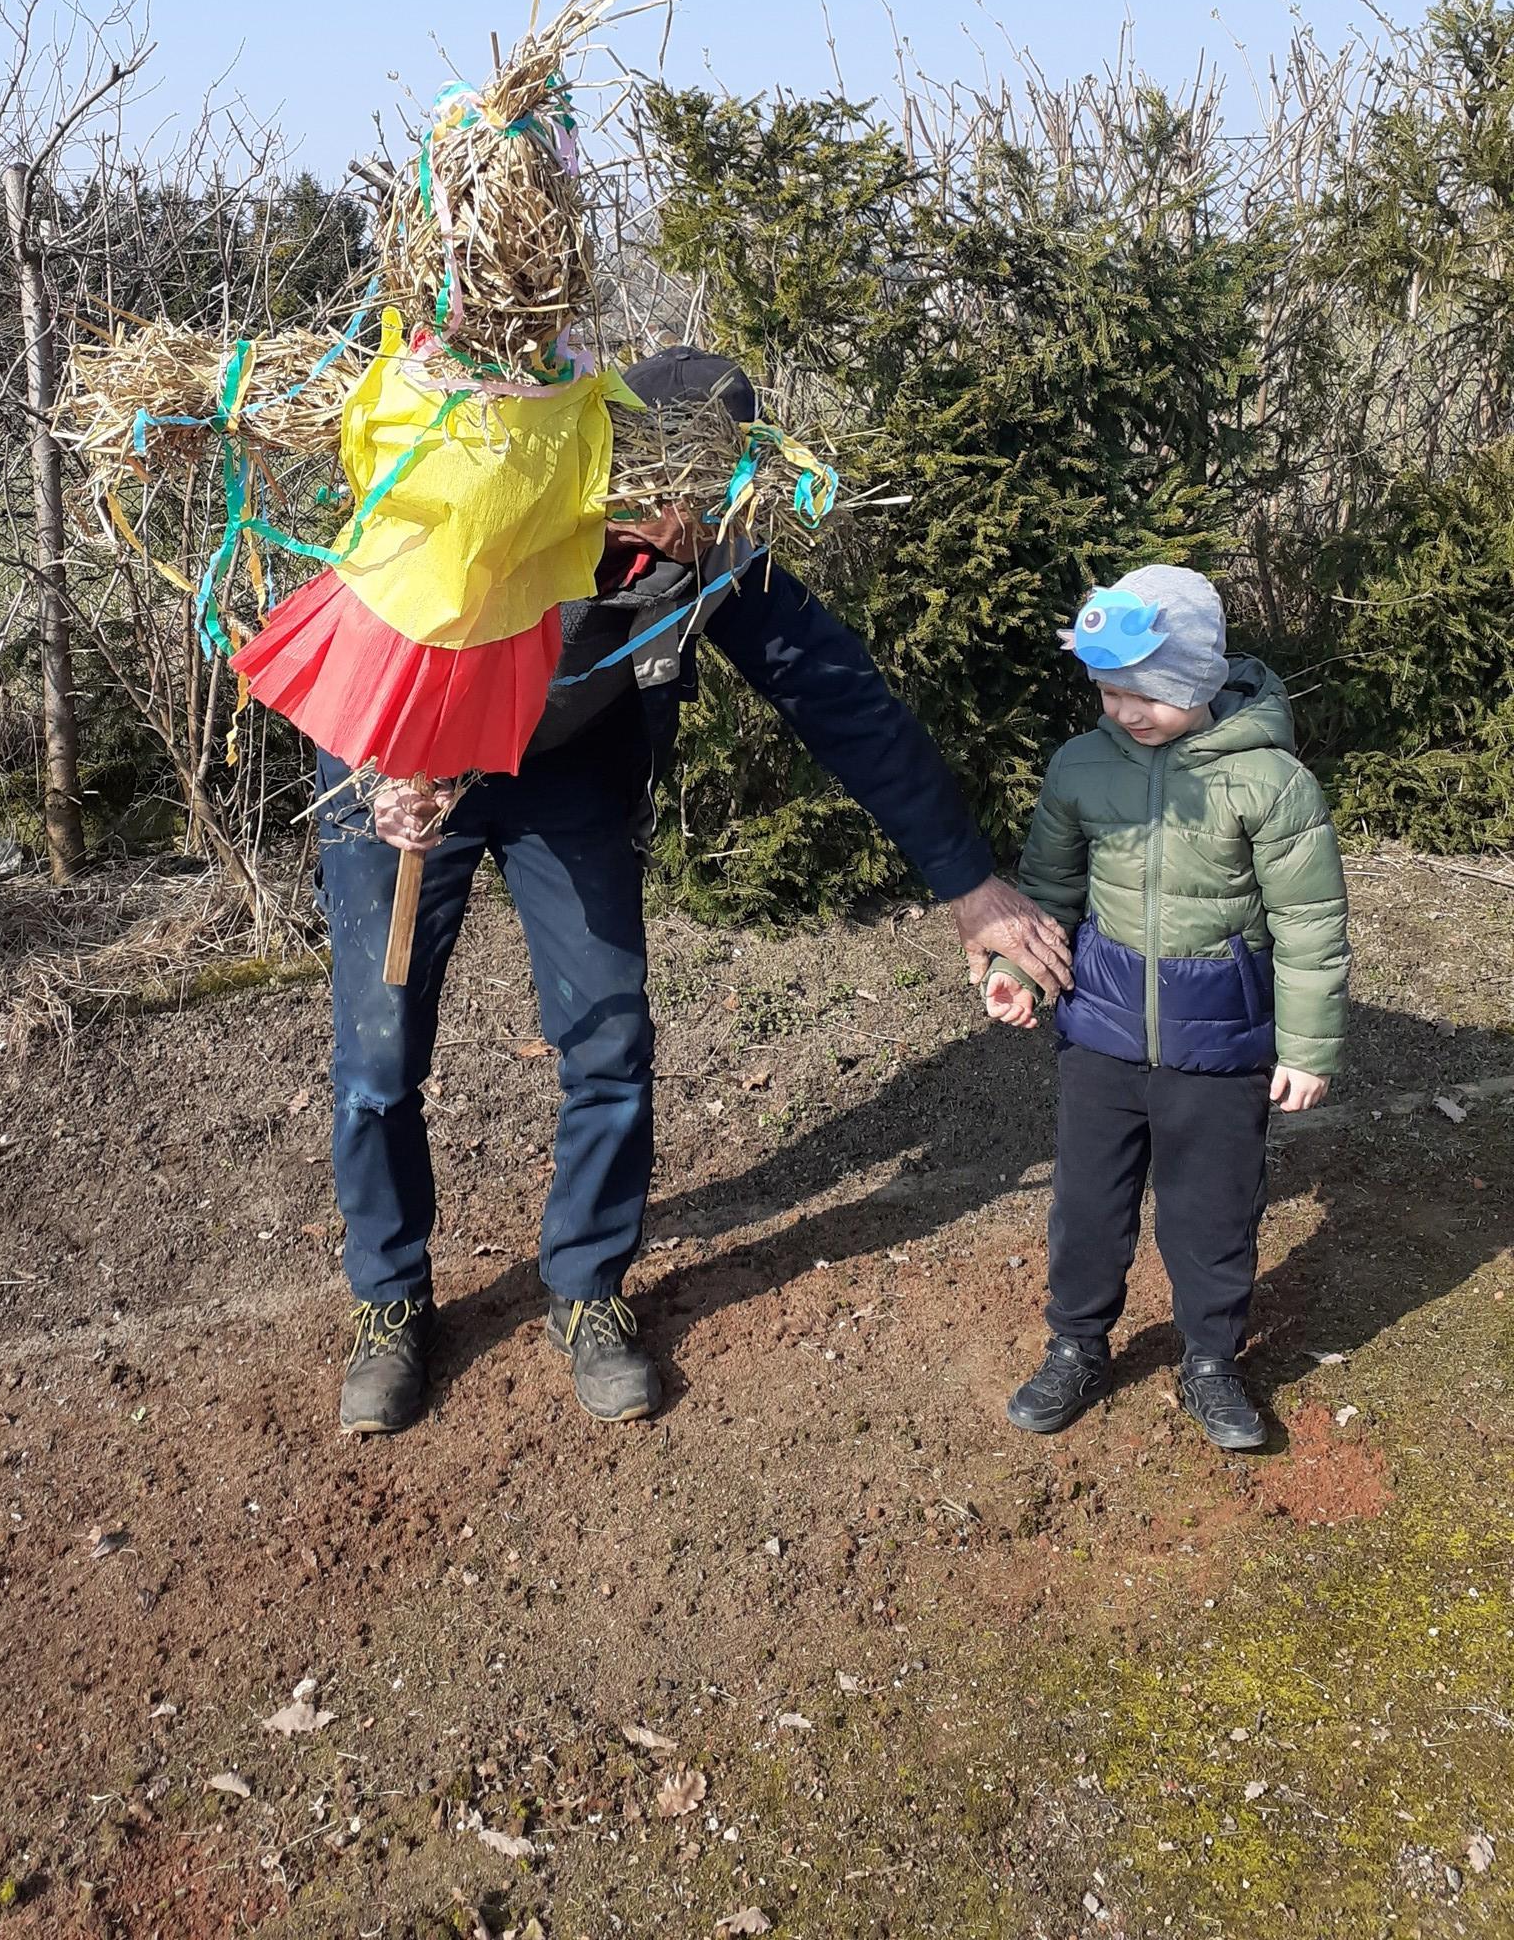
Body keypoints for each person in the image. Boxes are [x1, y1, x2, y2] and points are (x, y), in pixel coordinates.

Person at [316, 345, 1074, 1435]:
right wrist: (383, 763)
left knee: (610, 1036)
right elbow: (352, 624)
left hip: (567, 772)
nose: (690, 522)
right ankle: (389, 1298)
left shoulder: (713, 553)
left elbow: (842, 698)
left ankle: (586, 1286)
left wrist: (967, 883)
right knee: (379, 1054)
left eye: (711, 498)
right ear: (620, 463)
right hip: (402, 752)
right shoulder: (485, 492)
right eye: (671, 493)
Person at [984, 564, 1350, 1451]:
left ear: (1200, 677)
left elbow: (1310, 924)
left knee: (1212, 1214)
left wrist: (1307, 1049)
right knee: (1087, 1205)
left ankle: (1211, 1361)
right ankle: (1076, 1345)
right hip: (1101, 1036)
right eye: (1108, 693)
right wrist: (1019, 973)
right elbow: (1050, 891)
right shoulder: (1080, 768)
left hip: (1219, 1048)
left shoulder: (1269, 783)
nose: (1123, 712)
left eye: (1144, 694)